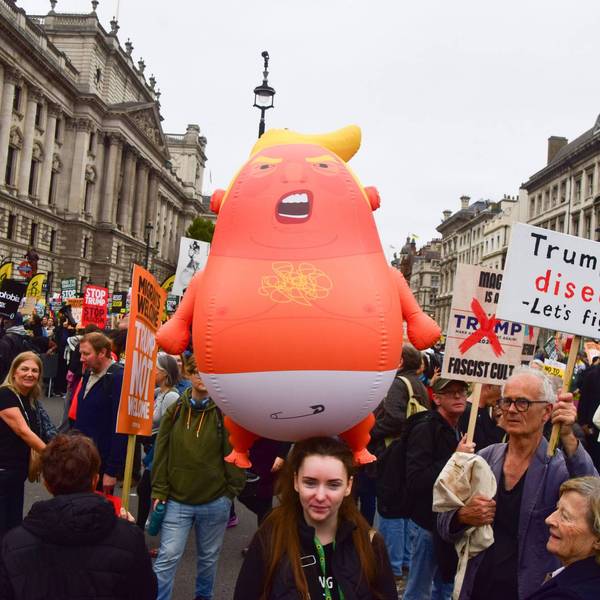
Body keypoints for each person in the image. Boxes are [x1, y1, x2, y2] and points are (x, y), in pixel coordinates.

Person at [437, 367, 598, 600]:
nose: (511, 410)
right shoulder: (484, 458)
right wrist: (462, 516)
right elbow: (443, 522)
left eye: (522, 402)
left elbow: (593, 493)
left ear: (547, 412)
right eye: (506, 401)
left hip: (529, 591)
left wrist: (568, 436)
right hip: (477, 587)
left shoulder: (558, 467)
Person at [234, 436, 398, 600]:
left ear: (348, 486)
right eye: (310, 483)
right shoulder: (269, 539)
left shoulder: (370, 543)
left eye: (333, 485)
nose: (320, 496)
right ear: (296, 481)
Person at [0, 433, 157, 599]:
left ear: (47, 484)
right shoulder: (128, 539)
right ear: (95, 480)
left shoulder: (14, 544)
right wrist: (130, 530)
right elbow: (146, 592)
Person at [151, 353, 246, 600]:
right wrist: (160, 490)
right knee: (167, 557)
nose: (201, 378)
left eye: (207, 373)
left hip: (215, 501)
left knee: (208, 559)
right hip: (177, 500)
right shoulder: (175, 410)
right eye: (196, 372)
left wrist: (230, 492)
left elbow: (234, 452)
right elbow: (160, 454)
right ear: (188, 374)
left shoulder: (224, 414)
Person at [403, 377, 473, 600]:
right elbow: (416, 480)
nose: (458, 396)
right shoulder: (425, 428)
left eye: (462, 391)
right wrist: (456, 458)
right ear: (436, 398)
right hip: (426, 523)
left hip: (449, 522)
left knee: (445, 587)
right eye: (451, 392)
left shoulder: (456, 427)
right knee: (418, 591)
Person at [370, 344, 431, 582]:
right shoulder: (418, 383)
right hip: (411, 452)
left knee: (390, 508)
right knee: (405, 509)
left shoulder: (398, 383)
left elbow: (395, 419)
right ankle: (404, 561)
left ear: (400, 362)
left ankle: (391, 565)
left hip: (393, 452)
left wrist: (369, 432)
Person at [524, 476, 600, 600]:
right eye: (557, 508)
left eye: (565, 516)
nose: (549, 520)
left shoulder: (568, 595)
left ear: (598, 539)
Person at [74, 332, 127, 494]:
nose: (82, 358)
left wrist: (111, 471)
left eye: (86, 354)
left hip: (101, 463)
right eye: (81, 353)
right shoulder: (89, 371)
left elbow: (119, 427)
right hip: (82, 458)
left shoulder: (118, 378)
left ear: (102, 353)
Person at [0, 351, 46, 537]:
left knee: (12, 526)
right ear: (14, 372)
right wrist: (55, 456)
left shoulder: (28, 398)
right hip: (3, 471)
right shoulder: (5, 394)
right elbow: (23, 431)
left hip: (16, 473)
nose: (30, 374)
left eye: (35, 370)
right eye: (24, 369)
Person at [136, 352, 181, 530]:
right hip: (153, 447)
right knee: (149, 489)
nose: (152, 372)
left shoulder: (171, 396)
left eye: (155, 369)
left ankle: (143, 529)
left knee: (147, 488)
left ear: (165, 373)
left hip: (161, 449)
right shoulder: (160, 393)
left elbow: (168, 428)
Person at [458, 383, 505, 450]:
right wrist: (501, 427)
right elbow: (483, 450)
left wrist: (495, 422)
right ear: (489, 387)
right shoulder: (468, 412)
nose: (500, 395)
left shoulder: (483, 411)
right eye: (499, 387)